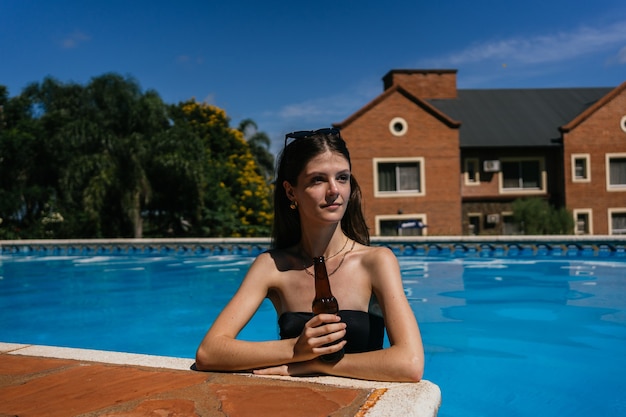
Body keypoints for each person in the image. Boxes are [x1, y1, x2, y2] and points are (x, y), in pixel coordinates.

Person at [195, 127, 424, 382]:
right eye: (318, 180)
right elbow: (209, 352)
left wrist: (316, 365)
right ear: (291, 191)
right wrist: (295, 349)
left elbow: (409, 363)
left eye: (342, 177)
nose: (334, 190)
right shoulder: (272, 266)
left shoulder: (376, 262)